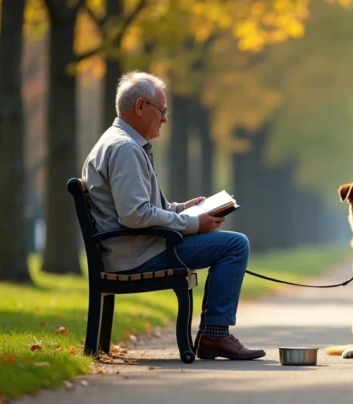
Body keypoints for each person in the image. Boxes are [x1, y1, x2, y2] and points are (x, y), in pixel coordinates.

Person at [81, 71, 265, 360]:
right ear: (140, 106)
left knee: (230, 243)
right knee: (235, 245)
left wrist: (183, 209)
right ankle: (215, 337)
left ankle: (214, 335)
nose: (165, 120)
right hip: (137, 254)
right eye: (161, 111)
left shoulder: (122, 143)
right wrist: (194, 223)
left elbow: (144, 208)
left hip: (136, 248)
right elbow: (134, 215)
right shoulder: (125, 148)